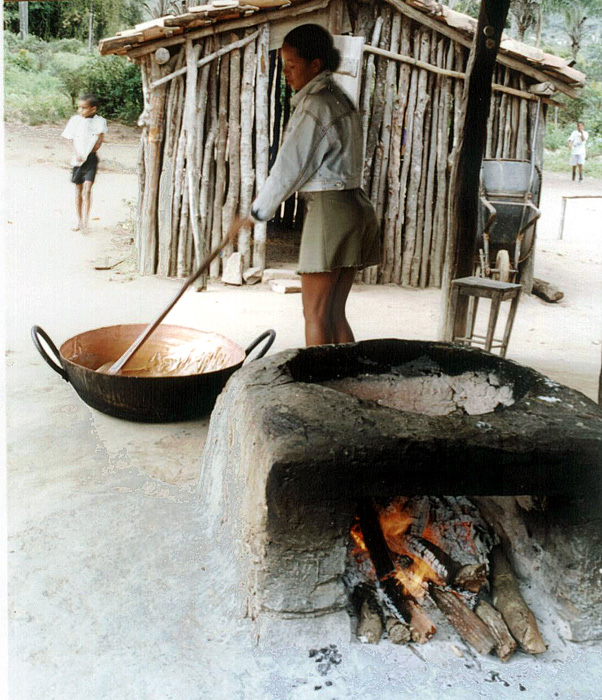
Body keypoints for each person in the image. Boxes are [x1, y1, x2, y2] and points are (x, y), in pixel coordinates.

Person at [246, 24, 380, 347]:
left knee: (315, 315)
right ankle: (349, 382)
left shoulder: (315, 105)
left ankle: (320, 391)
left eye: (292, 66)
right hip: (354, 208)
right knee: (335, 313)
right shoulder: (340, 98)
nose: (286, 75)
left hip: (330, 213)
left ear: (316, 65)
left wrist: (257, 212)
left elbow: (289, 168)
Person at [61, 94, 108, 233]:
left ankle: (86, 222)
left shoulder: (100, 121)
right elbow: (68, 139)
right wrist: (76, 154)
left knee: (88, 189)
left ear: (93, 109)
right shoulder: (75, 121)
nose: (80, 111)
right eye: (79, 108)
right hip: (77, 160)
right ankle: (79, 220)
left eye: (84, 108)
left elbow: (100, 138)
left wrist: (92, 150)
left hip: (91, 159)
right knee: (78, 190)